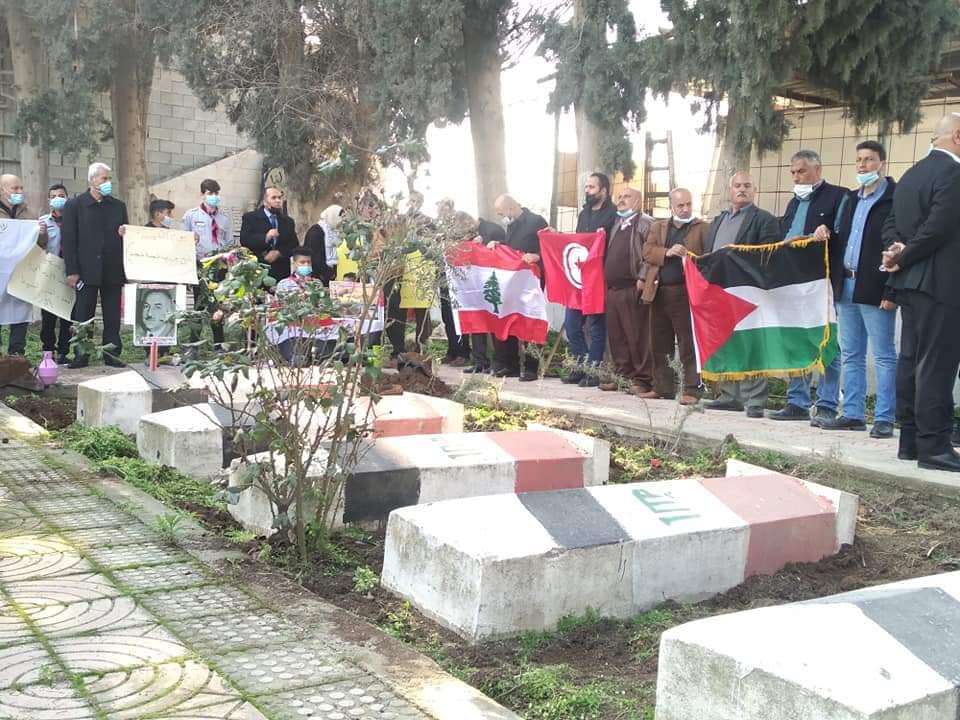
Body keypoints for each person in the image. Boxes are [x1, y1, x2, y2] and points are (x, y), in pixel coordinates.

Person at [881, 113, 960, 472]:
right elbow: (939, 228)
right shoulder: (954, 174)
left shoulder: (912, 174)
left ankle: (909, 442)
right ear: (957, 137)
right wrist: (905, 256)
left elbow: (892, 224)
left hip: (910, 284)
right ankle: (935, 448)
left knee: (911, 361)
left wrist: (897, 252)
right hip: (940, 283)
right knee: (937, 366)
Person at [817, 141, 897, 439]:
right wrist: (824, 233)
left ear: (882, 163)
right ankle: (852, 413)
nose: (863, 166)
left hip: (875, 285)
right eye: (860, 160)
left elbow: (896, 243)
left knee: (884, 355)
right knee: (851, 353)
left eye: (870, 160)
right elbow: (841, 239)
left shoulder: (894, 197)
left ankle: (885, 417)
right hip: (846, 285)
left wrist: (892, 290)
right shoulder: (850, 199)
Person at [768, 149, 847, 425]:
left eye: (801, 171)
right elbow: (784, 235)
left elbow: (843, 239)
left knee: (828, 343)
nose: (796, 176)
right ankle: (797, 402)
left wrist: (825, 235)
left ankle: (826, 403)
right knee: (796, 342)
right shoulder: (793, 202)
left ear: (818, 169)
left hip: (822, 283)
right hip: (793, 281)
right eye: (792, 172)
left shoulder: (838, 196)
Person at [703, 172, 781, 418]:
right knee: (726, 343)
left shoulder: (764, 220)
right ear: (730, 190)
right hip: (721, 291)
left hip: (749, 292)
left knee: (752, 344)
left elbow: (770, 254)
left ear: (754, 190)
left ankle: (754, 400)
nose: (742, 190)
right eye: (737, 185)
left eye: (747, 186)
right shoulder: (718, 221)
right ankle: (729, 396)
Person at [641, 187, 707, 404]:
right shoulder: (658, 227)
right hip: (659, 290)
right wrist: (667, 252)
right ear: (671, 207)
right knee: (659, 343)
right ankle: (662, 387)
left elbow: (709, 258)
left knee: (687, 343)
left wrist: (691, 256)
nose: (686, 209)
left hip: (685, 292)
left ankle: (692, 389)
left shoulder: (702, 228)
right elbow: (647, 252)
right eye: (681, 205)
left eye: (688, 204)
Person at [61, 162, 129, 368]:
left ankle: (112, 354)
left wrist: (124, 233)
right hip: (85, 270)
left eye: (109, 179)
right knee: (83, 315)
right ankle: (81, 355)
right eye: (103, 178)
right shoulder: (75, 205)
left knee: (112, 316)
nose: (108, 182)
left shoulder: (118, 206)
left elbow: (126, 238)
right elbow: (69, 240)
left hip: (112, 269)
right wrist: (72, 271)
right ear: (91, 180)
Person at [563, 172, 618, 388]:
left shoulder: (613, 214)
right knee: (572, 325)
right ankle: (581, 366)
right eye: (586, 187)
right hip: (578, 277)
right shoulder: (583, 213)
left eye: (591, 187)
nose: (587, 191)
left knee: (596, 327)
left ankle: (592, 371)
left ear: (603, 191)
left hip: (598, 278)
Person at [602, 187, 657, 396]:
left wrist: (643, 277)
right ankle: (621, 376)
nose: (622, 200)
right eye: (620, 197)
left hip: (632, 287)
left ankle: (643, 380)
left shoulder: (646, 223)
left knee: (638, 336)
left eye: (627, 197)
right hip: (614, 289)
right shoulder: (617, 223)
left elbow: (650, 253)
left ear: (639, 201)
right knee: (617, 337)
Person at [490, 194, 547, 381]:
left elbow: (550, 246)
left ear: (511, 209)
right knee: (510, 319)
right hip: (513, 280)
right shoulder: (512, 224)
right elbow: (512, 248)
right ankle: (511, 365)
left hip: (531, 279)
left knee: (529, 320)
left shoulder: (536, 221)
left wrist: (537, 256)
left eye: (501, 213)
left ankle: (531, 367)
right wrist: (499, 245)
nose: (501, 217)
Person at [181, 179, 233, 352]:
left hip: (218, 267)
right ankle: (194, 345)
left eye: (216, 193)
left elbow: (229, 243)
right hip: (200, 265)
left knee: (217, 305)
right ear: (202, 194)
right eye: (210, 193)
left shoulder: (223, 219)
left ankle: (218, 343)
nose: (214, 197)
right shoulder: (191, 215)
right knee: (199, 304)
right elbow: (182, 241)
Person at [0, 173, 47, 355]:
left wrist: (41, 233)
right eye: (14, 188)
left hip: (21, 273)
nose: (19, 192)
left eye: (21, 188)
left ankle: (16, 355)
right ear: (3, 189)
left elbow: (41, 244)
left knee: (19, 314)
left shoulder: (29, 213)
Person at [463, 217, 506, 374]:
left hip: (491, 282)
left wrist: (486, 240)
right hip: (475, 283)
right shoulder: (468, 234)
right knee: (476, 324)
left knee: (493, 323)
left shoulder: (491, 228)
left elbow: (505, 243)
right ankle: (479, 361)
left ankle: (497, 362)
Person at [39, 184, 73, 364]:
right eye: (54, 196)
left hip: (70, 272)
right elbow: (38, 246)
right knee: (48, 315)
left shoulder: (75, 219)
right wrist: (41, 234)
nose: (58, 198)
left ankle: (64, 351)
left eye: (61, 195)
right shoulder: (43, 221)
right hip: (50, 272)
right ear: (49, 200)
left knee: (67, 315)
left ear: (67, 197)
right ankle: (48, 350)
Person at [273, 246, 321, 365]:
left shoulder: (316, 283)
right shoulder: (285, 284)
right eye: (302, 262)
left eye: (308, 262)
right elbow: (281, 307)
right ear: (294, 264)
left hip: (313, 325)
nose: (306, 265)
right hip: (293, 326)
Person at [240, 187, 298, 284]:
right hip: (258, 268)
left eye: (279, 198)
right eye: (273, 198)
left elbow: (294, 244)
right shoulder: (250, 218)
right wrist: (265, 237)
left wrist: (279, 252)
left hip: (280, 269)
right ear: (265, 201)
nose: (278, 201)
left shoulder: (288, 221)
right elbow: (245, 240)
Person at [303, 204, 344, 285]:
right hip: (317, 276)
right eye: (340, 218)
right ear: (333, 217)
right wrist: (329, 273)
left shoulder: (332, 232)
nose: (342, 221)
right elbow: (314, 257)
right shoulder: (316, 232)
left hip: (329, 275)